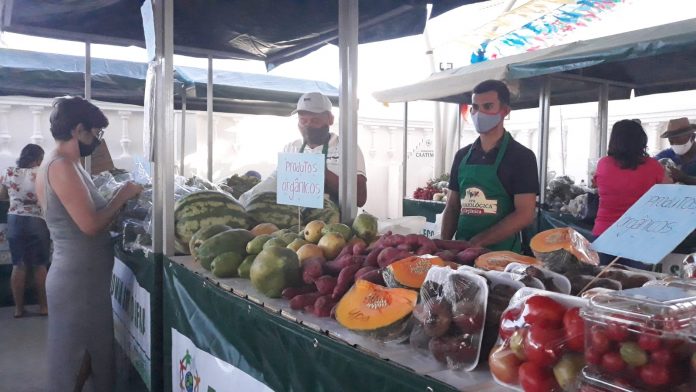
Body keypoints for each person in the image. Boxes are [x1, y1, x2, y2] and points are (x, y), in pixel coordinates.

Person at [36, 96, 143, 392]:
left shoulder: (67, 163)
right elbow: (90, 225)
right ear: (77, 129)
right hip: (77, 281)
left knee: (89, 355)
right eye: (96, 133)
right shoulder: (61, 166)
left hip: (83, 278)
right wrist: (122, 196)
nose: (97, 140)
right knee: (75, 359)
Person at [441, 80, 538, 252]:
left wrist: (477, 242)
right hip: (460, 254)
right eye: (475, 107)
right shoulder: (462, 156)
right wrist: (444, 245)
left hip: (501, 257)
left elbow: (525, 214)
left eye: (487, 106)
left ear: (505, 111)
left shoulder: (522, 157)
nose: (479, 113)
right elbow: (453, 206)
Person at [240, 92, 367, 207]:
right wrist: (243, 201)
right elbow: (274, 181)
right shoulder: (291, 148)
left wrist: (320, 173)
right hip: (296, 225)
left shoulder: (348, 149)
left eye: (315, 120)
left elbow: (360, 199)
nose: (307, 126)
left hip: (334, 228)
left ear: (330, 119)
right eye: (303, 120)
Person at [593, 120, 672, 268]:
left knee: (602, 283)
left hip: (604, 233)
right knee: (636, 284)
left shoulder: (603, 164)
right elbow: (669, 194)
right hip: (640, 237)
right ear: (641, 139)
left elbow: (597, 185)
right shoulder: (654, 166)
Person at [0, 144, 50, 318]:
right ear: (37, 158)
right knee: (39, 265)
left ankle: (18, 309)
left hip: (14, 219)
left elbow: (1, 196)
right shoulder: (41, 173)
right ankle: (43, 307)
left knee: (18, 265)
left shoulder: (9, 172)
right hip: (37, 219)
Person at [654, 117, 696, 184]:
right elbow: (651, 162)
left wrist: (685, 178)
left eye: (678, 140)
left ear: (692, 137)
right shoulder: (668, 154)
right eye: (671, 141)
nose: (674, 144)